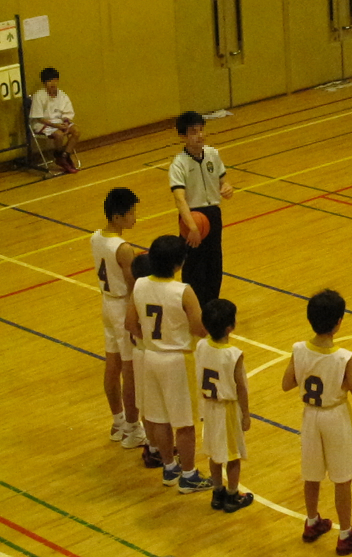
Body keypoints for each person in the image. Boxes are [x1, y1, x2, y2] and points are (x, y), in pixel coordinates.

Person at [282, 290, 352, 556]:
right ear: (338, 322)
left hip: (310, 416)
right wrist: (342, 381)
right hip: (335, 416)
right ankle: (346, 535)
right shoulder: (343, 357)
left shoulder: (299, 349)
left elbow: (287, 383)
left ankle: (312, 522)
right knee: (342, 478)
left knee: (312, 474)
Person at [125, 235, 213, 493]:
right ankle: (189, 475)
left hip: (151, 357)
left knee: (159, 419)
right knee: (184, 422)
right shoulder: (183, 291)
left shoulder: (140, 284)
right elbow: (198, 328)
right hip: (177, 360)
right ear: (179, 263)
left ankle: (169, 467)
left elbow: (130, 324)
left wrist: (152, 340)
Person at [90, 187, 146, 449]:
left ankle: (118, 422)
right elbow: (133, 287)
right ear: (117, 217)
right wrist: (136, 318)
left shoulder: (95, 237)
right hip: (123, 305)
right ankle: (133, 430)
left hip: (106, 303)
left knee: (111, 365)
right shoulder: (123, 248)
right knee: (129, 371)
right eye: (131, 213)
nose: (135, 217)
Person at [169, 111, 234, 308]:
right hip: (192, 217)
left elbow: (223, 180)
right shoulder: (178, 164)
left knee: (214, 263)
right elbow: (180, 199)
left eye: (201, 130)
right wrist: (192, 227)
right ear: (183, 136)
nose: (199, 135)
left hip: (213, 214)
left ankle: (212, 305)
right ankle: (194, 308)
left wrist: (227, 187)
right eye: (193, 132)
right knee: (194, 266)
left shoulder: (213, 154)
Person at [196, 299, 254, 513]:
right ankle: (232, 495)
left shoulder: (201, 345)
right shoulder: (233, 354)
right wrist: (246, 414)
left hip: (209, 407)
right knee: (233, 454)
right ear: (230, 326)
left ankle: (217, 492)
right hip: (227, 408)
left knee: (214, 452)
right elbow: (241, 387)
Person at [129, 253, 164, 468]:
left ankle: (152, 446)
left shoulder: (136, 292)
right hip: (151, 352)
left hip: (139, 351)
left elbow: (129, 324)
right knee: (157, 408)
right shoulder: (154, 294)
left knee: (146, 405)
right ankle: (157, 449)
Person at [29, 67, 80, 174]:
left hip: (60, 122)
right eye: (49, 81)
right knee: (59, 134)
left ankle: (65, 156)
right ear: (44, 83)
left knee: (76, 131)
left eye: (55, 80)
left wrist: (66, 123)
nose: (52, 83)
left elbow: (67, 112)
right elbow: (39, 118)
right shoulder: (38, 96)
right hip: (43, 123)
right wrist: (57, 126)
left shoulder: (62, 95)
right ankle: (59, 155)